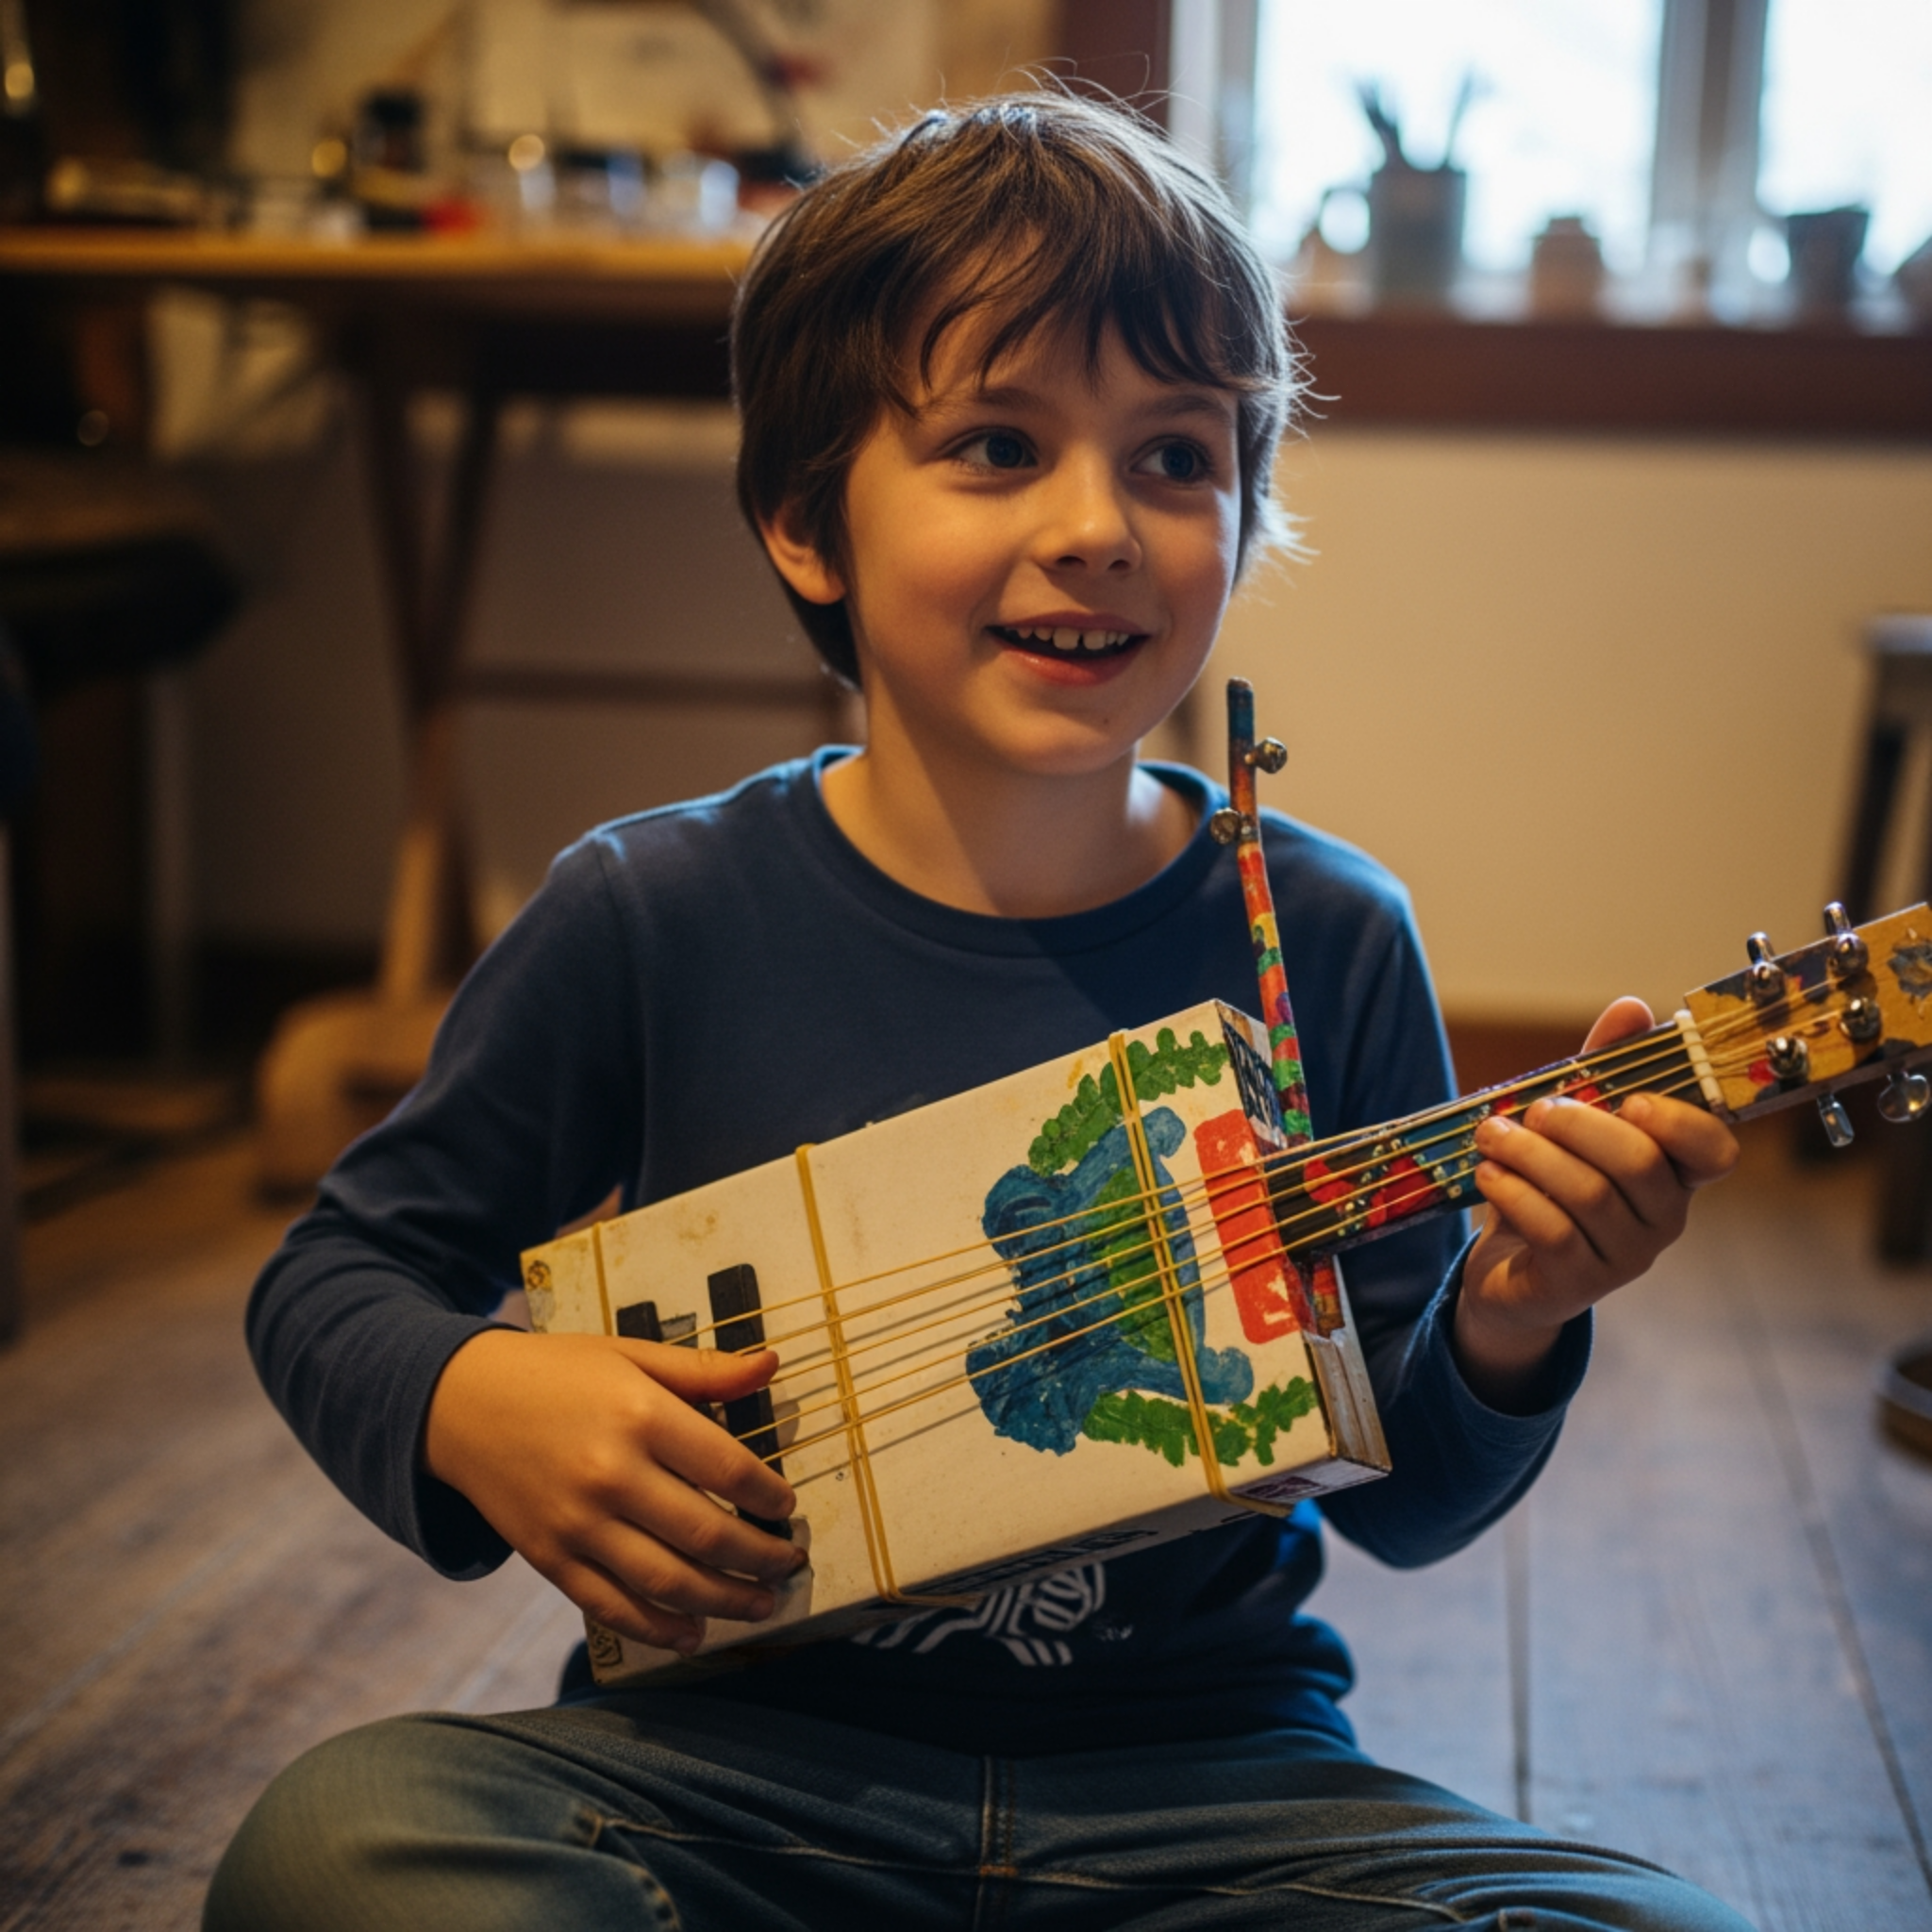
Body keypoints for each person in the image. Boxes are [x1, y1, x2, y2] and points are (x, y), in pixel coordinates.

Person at [207, 92, 1749, 1932]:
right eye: (998, 445)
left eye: (1177, 459)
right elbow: (334, 1278)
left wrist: (1512, 1316)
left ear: (1245, 518)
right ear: (802, 523)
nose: (1099, 527)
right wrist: (469, 1390)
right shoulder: (652, 907)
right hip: (722, 1776)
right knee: (340, 1850)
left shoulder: (1321, 930)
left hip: (1207, 1791)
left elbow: (1404, 1506)